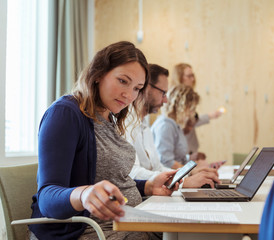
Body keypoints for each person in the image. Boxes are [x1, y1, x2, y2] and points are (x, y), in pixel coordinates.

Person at [29, 41, 179, 240]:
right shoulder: (66, 113)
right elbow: (47, 198)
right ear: (99, 74)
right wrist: (83, 195)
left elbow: (107, 181)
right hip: (87, 230)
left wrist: (148, 186)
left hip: (123, 224)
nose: (129, 95)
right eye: (123, 81)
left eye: (137, 88)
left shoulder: (108, 117)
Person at [126, 64, 219, 188]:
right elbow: (133, 173)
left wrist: (187, 174)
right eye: (163, 93)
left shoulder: (145, 126)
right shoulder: (126, 125)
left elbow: (158, 168)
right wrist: (184, 181)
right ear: (145, 87)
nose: (165, 100)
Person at [172, 63, 223, 157]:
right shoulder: (173, 99)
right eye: (189, 76)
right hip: (181, 152)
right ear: (180, 77)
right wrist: (210, 116)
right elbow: (185, 122)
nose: (193, 79)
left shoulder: (188, 96)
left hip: (190, 148)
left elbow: (191, 121)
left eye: (193, 75)